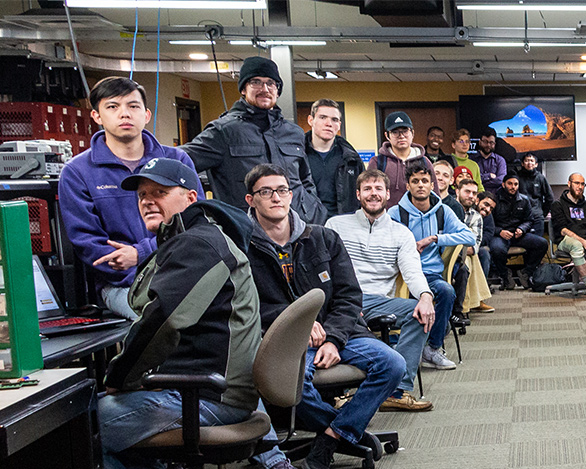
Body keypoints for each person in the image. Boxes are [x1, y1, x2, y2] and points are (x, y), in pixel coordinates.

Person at [97, 158, 303, 469]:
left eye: (160, 192)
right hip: (216, 387)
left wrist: (118, 380)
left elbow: (164, 321)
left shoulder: (199, 243)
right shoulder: (193, 239)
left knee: (82, 423)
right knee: (115, 426)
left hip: (210, 394)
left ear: (191, 197)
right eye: (143, 196)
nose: (148, 201)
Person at [242, 163, 405, 469]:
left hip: (341, 334)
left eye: (282, 190)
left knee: (393, 365)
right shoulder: (241, 247)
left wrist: (332, 338)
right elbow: (248, 306)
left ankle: (331, 438)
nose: (276, 197)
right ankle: (347, 429)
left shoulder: (323, 238)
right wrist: (297, 325)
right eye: (266, 192)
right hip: (284, 341)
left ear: (291, 195)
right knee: (292, 384)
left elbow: (348, 295)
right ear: (251, 200)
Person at [59, 76, 203, 320]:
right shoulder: (77, 173)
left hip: (181, 273)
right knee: (163, 319)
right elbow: (90, 246)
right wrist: (143, 275)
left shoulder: (177, 162)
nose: (124, 114)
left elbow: (197, 223)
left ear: (146, 115)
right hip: (122, 286)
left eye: (133, 106)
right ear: (96, 116)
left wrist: (142, 253)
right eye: (113, 107)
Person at [324, 170, 437, 412]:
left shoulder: (401, 233)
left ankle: (396, 391)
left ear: (388, 194)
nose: (373, 194)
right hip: (341, 299)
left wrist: (426, 297)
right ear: (358, 195)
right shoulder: (335, 225)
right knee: (337, 318)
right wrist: (342, 305)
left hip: (376, 301)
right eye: (367, 189)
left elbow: (413, 272)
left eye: (378, 189)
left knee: (420, 313)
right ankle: (338, 394)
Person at [181, 56, 325, 225]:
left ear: (277, 90)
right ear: (243, 89)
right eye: (256, 82)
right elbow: (179, 162)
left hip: (297, 229)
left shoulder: (293, 132)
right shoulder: (224, 131)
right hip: (246, 233)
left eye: (271, 83)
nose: (265, 89)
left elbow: (305, 179)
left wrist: (313, 209)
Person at [389, 164, 470, 370]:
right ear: (408, 185)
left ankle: (432, 348)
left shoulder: (442, 210)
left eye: (425, 181)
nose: (420, 186)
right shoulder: (396, 212)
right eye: (415, 181)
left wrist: (435, 238)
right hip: (402, 275)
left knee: (446, 290)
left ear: (432, 185)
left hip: (430, 274)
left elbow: (468, 236)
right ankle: (398, 347)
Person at [304, 99, 365, 216]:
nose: (329, 123)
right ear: (310, 120)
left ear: (339, 125)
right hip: (306, 226)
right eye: (323, 117)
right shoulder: (296, 157)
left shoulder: (352, 159)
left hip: (343, 226)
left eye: (334, 119)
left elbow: (362, 195)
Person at [487, 173, 550, 285]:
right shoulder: (494, 200)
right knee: (497, 249)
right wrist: (500, 231)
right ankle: (505, 275)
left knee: (542, 244)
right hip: (500, 234)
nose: (513, 187)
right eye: (510, 184)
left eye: (516, 184)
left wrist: (522, 229)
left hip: (518, 235)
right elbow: (488, 223)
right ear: (503, 184)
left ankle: (526, 272)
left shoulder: (524, 200)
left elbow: (529, 220)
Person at [368, 111, 433, 201]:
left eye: (405, 131)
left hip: (418, 214)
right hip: (387, 214)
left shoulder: (424, 162)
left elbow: (435, 195)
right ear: (387, 135)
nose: (401, 136)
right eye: (395, 132)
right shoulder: (378, 162)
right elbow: (369, 194)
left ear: (412, 133)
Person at [453, 178, 494, 314]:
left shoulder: (476, 216)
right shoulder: (447, 208)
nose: (471, 196)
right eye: (467, 191)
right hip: (442, 251)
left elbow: (474, 246)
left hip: (462, 253)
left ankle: (465, 305)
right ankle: (472, 302)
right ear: (457, 191)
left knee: (469, 259)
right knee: (470, 258)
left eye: (474, 193)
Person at [475, 127, 509, 197]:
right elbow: (472, 180)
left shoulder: (500, 160)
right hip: (476, 197)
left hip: (496, 197)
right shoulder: (472, 160)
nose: (488, 145)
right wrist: (489, 176)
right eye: (485, 142)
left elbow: (501, 180)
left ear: (495, 144)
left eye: (491, 142)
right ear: (480, 142)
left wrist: (481, 180)